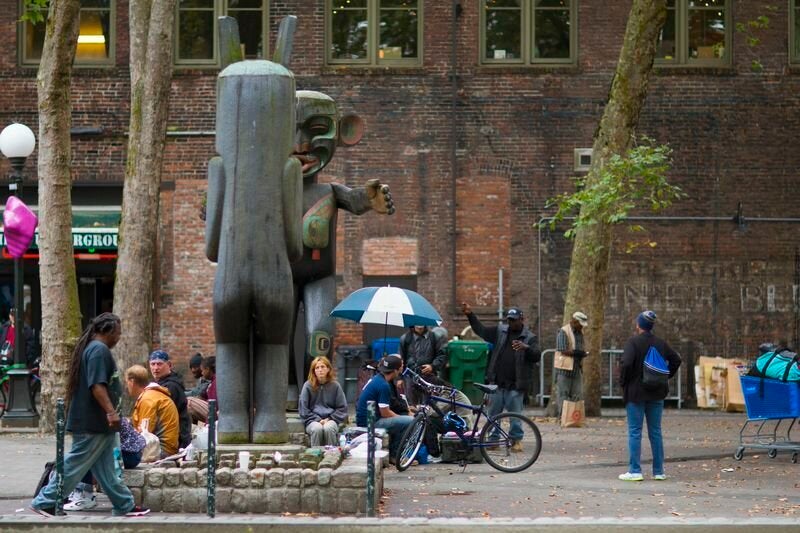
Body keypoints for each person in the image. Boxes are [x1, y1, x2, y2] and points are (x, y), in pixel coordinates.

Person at [30, 313, 148, 517]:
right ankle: (45, 501)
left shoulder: (94, 349)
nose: (119, 337)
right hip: (93, 422)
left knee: (108, 468)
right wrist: (111, 412)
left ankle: (124, 504)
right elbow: (97, 385)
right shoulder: (98, 351)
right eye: (118, 333)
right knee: (76, 461)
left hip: (101, 425)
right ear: (108, 331)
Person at [461, 303, 540, 452]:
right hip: (497, 382)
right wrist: (470, 315)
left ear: (522, 319)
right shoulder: (500, 332)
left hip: (516, 384)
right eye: (509, 320)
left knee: (515, 416)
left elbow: (537, 355)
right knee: (493, 414)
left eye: (514, 320)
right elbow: (481, 331)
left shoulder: (530, 337)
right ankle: (493, 440)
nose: (511, 323)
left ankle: (516, 440)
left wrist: (526, 348)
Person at [618, 310, 682, 482]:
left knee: (634, 431)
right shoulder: (660, 343)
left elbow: (627, 363)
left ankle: (635, 470)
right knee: (655, 432)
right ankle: (659, 471)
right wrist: (665, 376)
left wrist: (624, 382)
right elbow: (676, 360)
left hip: (636, 393)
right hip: (656, 393)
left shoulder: (633, 342)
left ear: (639, 325)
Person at [356, 354, 414, 460]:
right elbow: (385, 413)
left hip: (368, 418)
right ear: (395, 371)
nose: (401, 370)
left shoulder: (377, 378)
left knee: (403, 419)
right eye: (400, 368)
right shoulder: (384, 385)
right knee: (410, 422)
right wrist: (400, 418)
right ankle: (395, 455)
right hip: (370, 422)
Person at [126, 364, 180, 457]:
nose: (127, 387)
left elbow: (145, 433)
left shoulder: (147, 399)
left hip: (161, 449)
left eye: (126, 382)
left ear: (132, 381)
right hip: (166, 447)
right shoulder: (151, 395)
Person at [298, 356, 348, 446]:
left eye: (323, 367)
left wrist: (329, 419)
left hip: (331, 419)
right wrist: (318, 420)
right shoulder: (307, 386)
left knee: (328, 428)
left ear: (328, 369)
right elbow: (303, 409)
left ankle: (331, 454)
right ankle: (315, 454)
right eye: (317, 368)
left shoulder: (335, 386)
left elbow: (342, 408)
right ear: (314, 371)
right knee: (317, 429)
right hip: (312, 420)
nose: (320, 370)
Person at [148, 350, 192, 449]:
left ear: (169, 365)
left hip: (176, 437)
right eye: (153, 364)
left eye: (159, 364)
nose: (155, 368)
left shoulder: (171, 386)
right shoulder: (160, 384)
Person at [398, 325, 447, 405]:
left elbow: (441, 355)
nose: (419, 324)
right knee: (411, 405)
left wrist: (432, 366)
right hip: (410, 376)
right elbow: (401, 358)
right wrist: (399, 378)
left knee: (429, 404)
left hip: (429, 376)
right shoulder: (405, 338)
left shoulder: (434, 337)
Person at [554, 311, 589, 417]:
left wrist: (582, 354)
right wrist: (578, 353)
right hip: (564, 368)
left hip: (576, 368)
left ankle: (574, 417)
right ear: (575, 321)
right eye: (580, 324)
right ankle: (563, 417)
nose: (581, 327)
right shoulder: (563, 331)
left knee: (577, 394)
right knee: (563, 394)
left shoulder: (580, 333)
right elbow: (562, 349)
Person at [187, 356, 215, 423]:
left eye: (202, 370)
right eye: (191, 367)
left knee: (188, 402)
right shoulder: (209, 380)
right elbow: (201, 395)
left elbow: (196, 393)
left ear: (207, 369)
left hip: (214, 413)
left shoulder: (214, 382)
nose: (192, 370)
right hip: (210, 409)